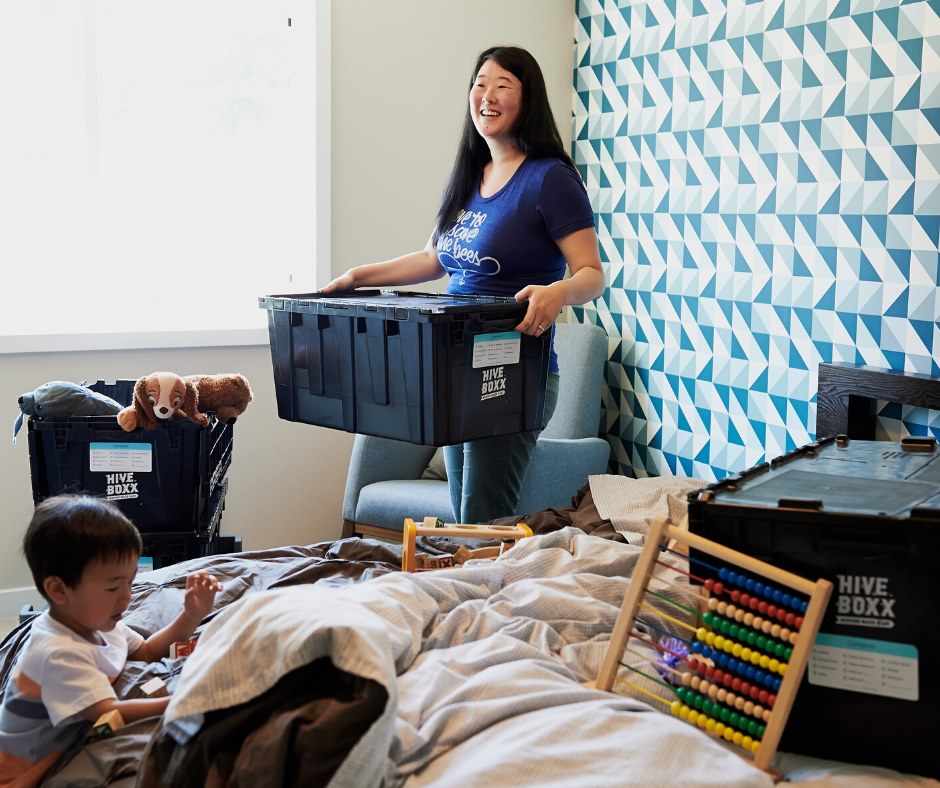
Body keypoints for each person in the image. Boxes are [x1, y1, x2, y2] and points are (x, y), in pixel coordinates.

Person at [323, 45, 605, 523]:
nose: (486, 95)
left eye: (502, 85)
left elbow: (592, 274)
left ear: (528, 99)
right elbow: (433, 259)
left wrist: (557, 292)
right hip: (454, 369)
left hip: (512, 371)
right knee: (464, 518)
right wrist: (356, 277)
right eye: (479, 83)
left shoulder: (550, 178)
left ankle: (497, 575)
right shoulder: (470, 176)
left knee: (483, 519)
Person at [0, 495, 221, 786]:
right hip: (21, 770)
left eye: (130, 581)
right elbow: (108, 711)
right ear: (59, 590)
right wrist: (181, 699)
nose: (127, 596)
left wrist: (191, 615)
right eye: (114, 587)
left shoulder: (95, 619)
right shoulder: (57, 652)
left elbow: (146, 651)